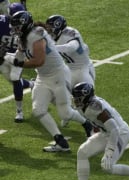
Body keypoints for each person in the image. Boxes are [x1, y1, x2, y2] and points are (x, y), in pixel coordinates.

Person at [5, 11, 93, 152]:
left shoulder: (36, 35)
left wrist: (17, 63)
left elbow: (39, 61)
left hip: (58, 75)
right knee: (38, 110)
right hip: (43, 77)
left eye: (16, 27)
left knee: (65, 113)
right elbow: (20, 55)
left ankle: (87, 123)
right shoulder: (22, 37)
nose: (14, 30)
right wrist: (6, 57)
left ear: (24, 25)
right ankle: (60, 141)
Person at [64, 82, 129, 180]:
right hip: (106, 132)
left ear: (86, 97)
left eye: (78, 98)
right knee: (82, 152)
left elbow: (114, 129)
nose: (76, 101)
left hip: (120, 133)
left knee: (107, 167)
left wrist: (110, 151)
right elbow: (98, 124)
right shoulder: (85, 106)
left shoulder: (95, 107)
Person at [45, 14, 96, 127]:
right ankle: (69, 114)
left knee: (88, 100)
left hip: (83, 68)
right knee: (63, 96)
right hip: (70, 69)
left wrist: (52, 49)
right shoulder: (50, 38)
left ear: (58, 26)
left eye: (50, 27)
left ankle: (96, 124)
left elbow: (71, 47)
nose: (48, 30)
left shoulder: (70, 33)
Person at [0, 2, 33, 123]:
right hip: (3, 55)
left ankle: (19, 111)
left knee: (14, 78)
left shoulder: (27, 26)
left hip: (18, 56)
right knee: (14, 81)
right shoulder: (2, 22)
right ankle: (31, 84)